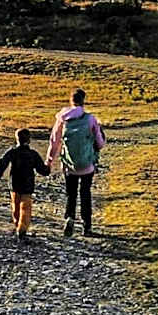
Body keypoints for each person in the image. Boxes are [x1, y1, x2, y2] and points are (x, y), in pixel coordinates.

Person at [47, 88, 106, 237]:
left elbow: (54, 141)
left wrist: (49, 162)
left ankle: (70, 218)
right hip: (87, 165)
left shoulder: (62, 118)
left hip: (68, 165)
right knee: (85, 193)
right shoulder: (90, 119)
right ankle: (87, 226)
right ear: (83, 101)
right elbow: (99, 143)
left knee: (70, 194)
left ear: (70, 101)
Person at [0, 128, 51, 242]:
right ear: (29, 140)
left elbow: (2, 162)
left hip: (14, 184)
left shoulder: (12, 152)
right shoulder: (33, 154)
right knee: (25, 208)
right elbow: (42, 170)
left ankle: (17, 225)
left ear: (17, 139)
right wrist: (48, 168)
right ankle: (22, 230)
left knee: (15, 206)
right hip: (27, 184)